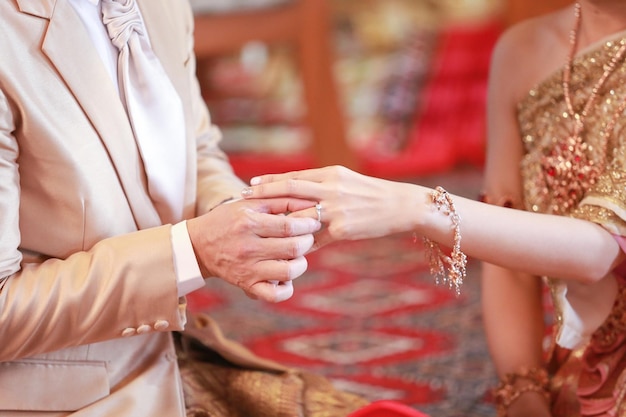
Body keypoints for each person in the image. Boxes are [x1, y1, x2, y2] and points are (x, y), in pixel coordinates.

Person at [241, 1, 626, 415]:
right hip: (579, 374)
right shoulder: (523, 50)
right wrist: (523, 390)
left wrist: (418, 206)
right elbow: (507, 248)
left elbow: (600, 249)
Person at [0, 0, 378, 416]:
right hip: (58, 394)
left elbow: (198, 148)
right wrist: (192, 251)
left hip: (170, 356)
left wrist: (242, 213)